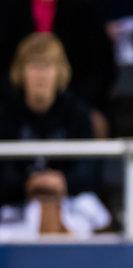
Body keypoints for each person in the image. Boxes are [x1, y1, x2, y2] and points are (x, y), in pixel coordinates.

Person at [0, 0, 117, 121]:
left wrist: (74, 106)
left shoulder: (86, 8)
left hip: (74, 108)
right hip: (12, 109)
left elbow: (101, 69)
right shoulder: (5, 5)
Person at [0, 33, 111, 238]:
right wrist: (28, 183)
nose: (40, 75)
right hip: (15, 204)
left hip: (71, 200)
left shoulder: (76, 111)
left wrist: (62, 182)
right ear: (20, 71)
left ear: (59, 71)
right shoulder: (6, 114)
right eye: (33, 66)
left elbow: (91, 173)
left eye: (47, 66)